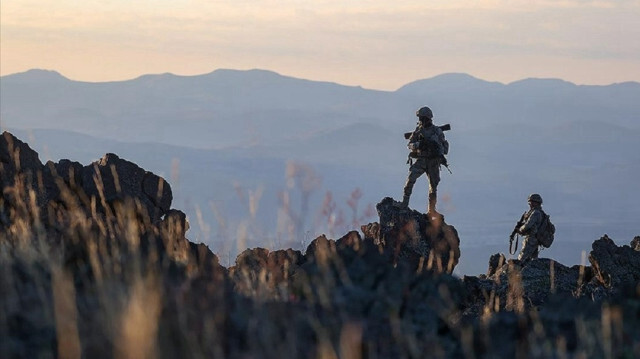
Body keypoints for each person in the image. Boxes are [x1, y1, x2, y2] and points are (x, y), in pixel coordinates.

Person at [401, 106, 449, 213]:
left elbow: (445, 148)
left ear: (427, 118)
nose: (420, 120)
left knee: (433, 186)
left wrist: (435, 147)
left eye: (422, 118)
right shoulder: (418, 131)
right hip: (422, 160)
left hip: (433, 161)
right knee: (410, 179)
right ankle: (404, 204)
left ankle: (431, 210)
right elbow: (410, 145)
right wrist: (419, 144)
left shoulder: (437, 132)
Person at [515, 193, 546, 262]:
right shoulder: (539, 212)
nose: (529, 204)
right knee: (533, 259)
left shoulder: (535, 213)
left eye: (531, 202)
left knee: (522, 258)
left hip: (531, 239)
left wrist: (520, 230)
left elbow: (528, 225)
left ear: (535, 202)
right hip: (535, 239)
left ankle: (518, 271)